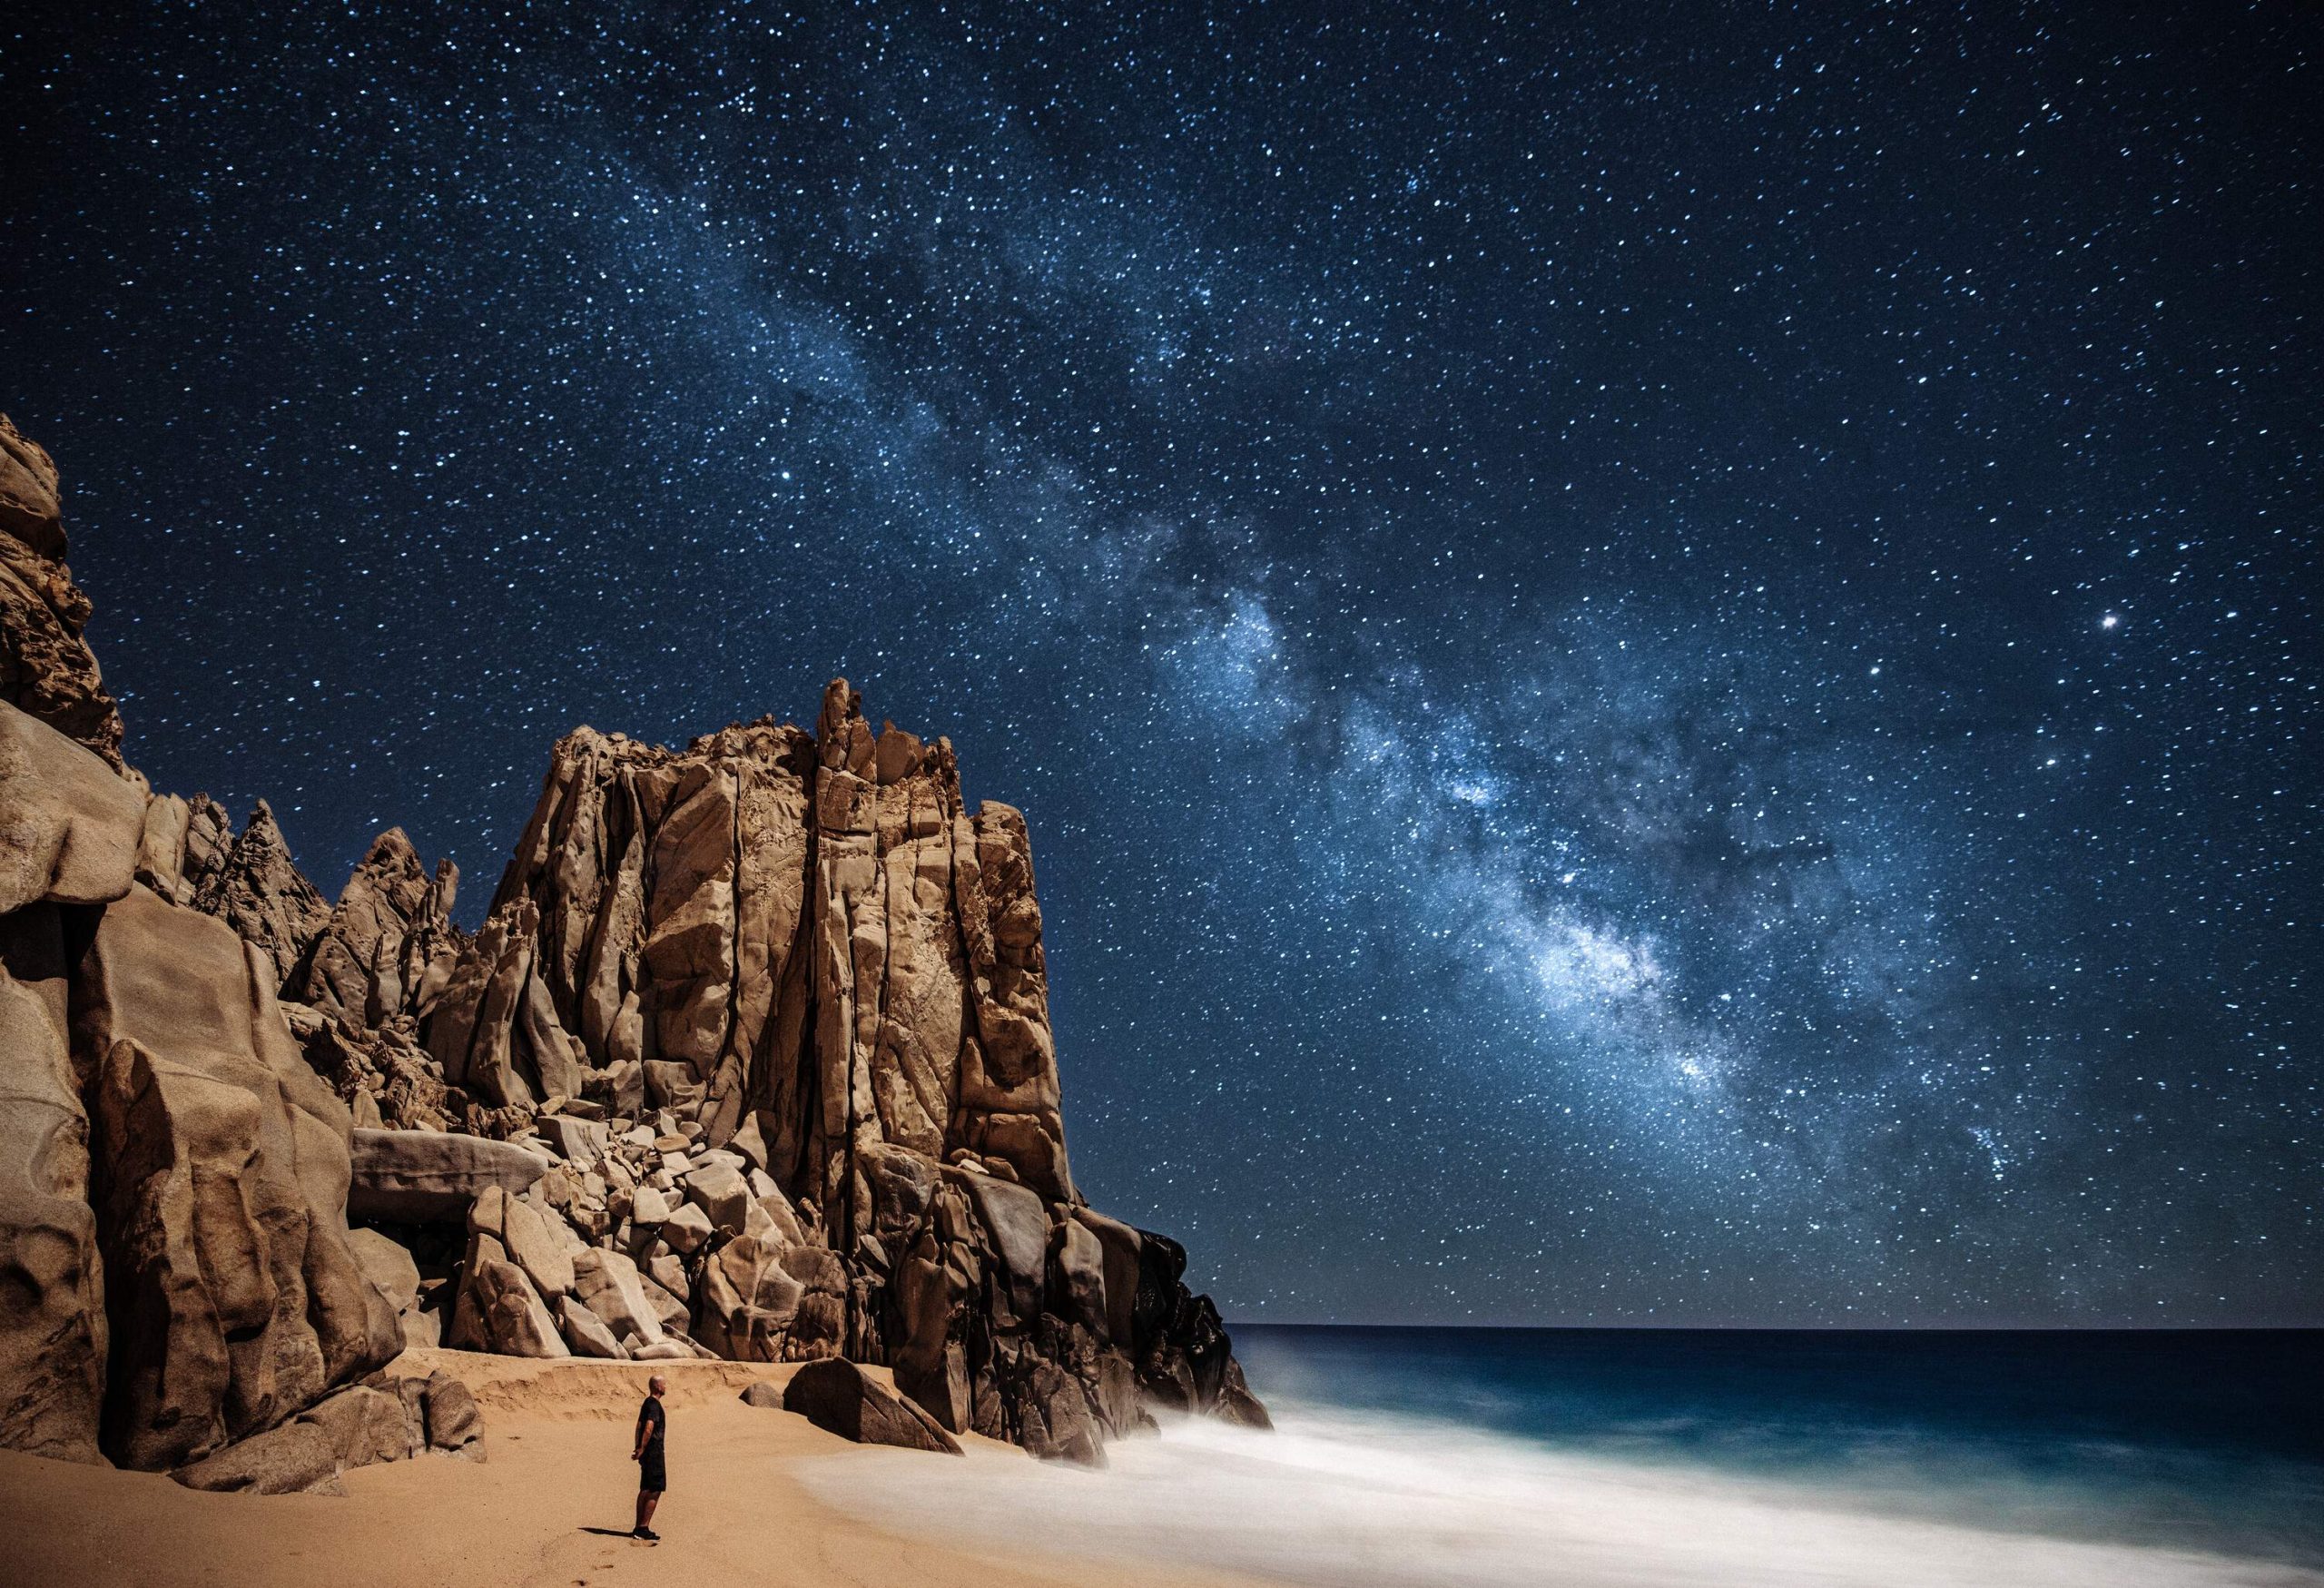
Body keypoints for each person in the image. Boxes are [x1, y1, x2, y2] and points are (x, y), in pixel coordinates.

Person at [632, 1373, 668, 1541]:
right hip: (653, 1452)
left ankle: (639, 1527)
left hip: (647, 1452)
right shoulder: (654, 1404)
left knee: (646, 1487)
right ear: (658, 1387)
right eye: (664, 1384)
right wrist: (643, 1447)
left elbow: (638, 1426)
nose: (666, 1387)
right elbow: (648, 1426)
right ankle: (643, 1527)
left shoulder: (647, 1403)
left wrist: (639, 1447)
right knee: (655, 1489)